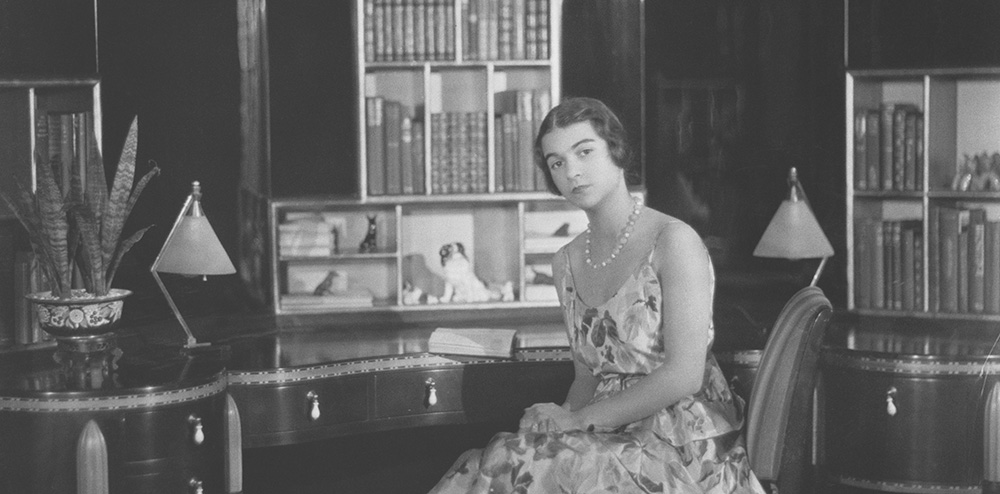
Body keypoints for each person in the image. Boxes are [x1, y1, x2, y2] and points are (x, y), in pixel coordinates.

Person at [428, 97, 765, 493]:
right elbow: (586, 378)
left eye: (584, 152)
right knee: (486, 461)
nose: (572, 172)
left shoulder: (673, 241)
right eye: (556, 163)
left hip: (682, 440)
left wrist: (577, 422)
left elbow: (684, 376)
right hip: (602, 432)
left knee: (517, 462)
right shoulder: (565, 262)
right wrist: (557, 421)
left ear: (616, 151)